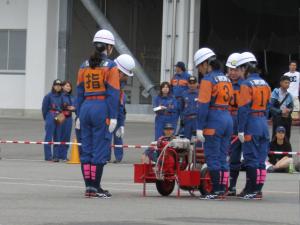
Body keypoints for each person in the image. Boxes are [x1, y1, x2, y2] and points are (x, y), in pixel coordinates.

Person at [76, 29, 120, 198]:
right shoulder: (111, 66)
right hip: (101, 107)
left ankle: (88, 186)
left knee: (86, 149)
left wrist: (78, 115)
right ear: (108, 47)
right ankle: (96, 187)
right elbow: (113, 93)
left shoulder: (84, 65)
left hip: (86, 106)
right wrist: (114, 117)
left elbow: (79, 92)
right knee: (100, 149)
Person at [195, 47, 233, 200]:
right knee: (223, 157)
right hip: (227, 117)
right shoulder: (227, 79)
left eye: (199, 66)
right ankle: (223, 189)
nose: (199, 70)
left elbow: (203, 105)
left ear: (205, 64)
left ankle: (215, 191)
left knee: (212, 157)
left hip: (214, 119)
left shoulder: (207, 80)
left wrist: (199, 127)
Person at [237, 52, 271, 200]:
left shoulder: (246, 84)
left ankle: (252, 190)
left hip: (252, 123)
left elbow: (243, 108)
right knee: (261, 160)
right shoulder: (266, 84)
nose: (239, 73)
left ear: (245, 69)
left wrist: (240, 129)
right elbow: (268, 107)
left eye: (239, 69)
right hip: (263, 122)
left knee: (250, 158)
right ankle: (258, 189)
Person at [225, 53, 245, 196]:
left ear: (242, 70)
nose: (232, 72)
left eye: (235, 69)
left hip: (241, 123)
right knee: (226, 156)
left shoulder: (245, 85)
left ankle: (239, 186)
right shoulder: (223, 83)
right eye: (230, 69)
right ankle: (227, 185)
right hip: (226, 122)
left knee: (237, 157)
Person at [110, 54, 136, 163]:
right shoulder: (110, 86)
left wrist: (121, 125)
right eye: (125, 75)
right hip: (106, 115)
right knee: (105, 138)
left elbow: (121, 109)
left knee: (118, 136)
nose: (126, 78)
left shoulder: (121, 94)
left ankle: (118, 157)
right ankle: (105, 157)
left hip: (116, 115)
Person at [41, 79, 63, 162]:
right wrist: (46, 118)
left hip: (59, 115)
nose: (58, 87)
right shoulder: (48, 96)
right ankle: (48, 156)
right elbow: (44, 109)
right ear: (53, 86)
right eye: (56, 85)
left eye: (60, 85)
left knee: (58, 136)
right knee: (49, 136)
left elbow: (62, 107)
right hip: (50, 115)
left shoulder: (61, 96)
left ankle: (56, 156)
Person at [270, 75, 294, 140]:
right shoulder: (275, 93)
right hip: (278, 118)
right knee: (276, 137)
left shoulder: (289, 95)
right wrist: (281, 111)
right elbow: (270, 107)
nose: (287, 84)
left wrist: (289, 110)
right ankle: (274, 150)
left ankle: (286, 150)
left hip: (287, 119)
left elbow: (292, 107)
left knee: (286, 137)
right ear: (281, 83)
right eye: (286, 82)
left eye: (289, 83)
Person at [170, 61, 190, 134]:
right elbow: (171, 88)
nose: (176, 68)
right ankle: (172, 135)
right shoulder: (174, 77)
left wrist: (187, 101)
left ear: (180, 68)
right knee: (173, 119)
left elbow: (190, 89)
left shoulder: (188, 77)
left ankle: (181, 135)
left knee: (183, 119)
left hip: (183, 101)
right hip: (175, 101)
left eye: (177, 67)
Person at [60, 81, 75, 161]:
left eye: (69, 86)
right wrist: (66, 107)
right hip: (61, 116)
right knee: (59, 135)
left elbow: (75, 106)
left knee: (66, 136)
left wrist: (74, 108)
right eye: (67, 86)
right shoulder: (60, 95)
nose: (68, 87)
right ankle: (57, 155)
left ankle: (64, 155)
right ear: (62, 87)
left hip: (69, 117)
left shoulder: (72, 97)